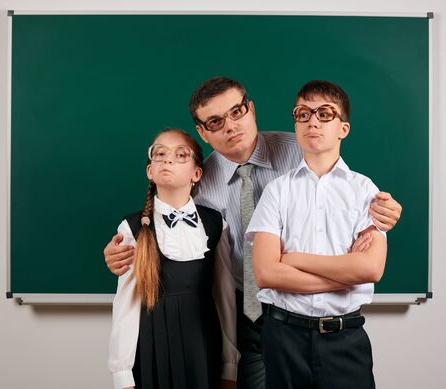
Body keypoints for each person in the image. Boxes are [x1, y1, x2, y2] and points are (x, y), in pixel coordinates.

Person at [104, 77, 402, 389]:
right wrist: (124, 250)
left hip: (299, 309)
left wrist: (386, 212)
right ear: (203, 133)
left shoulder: (302, 147)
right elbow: (164, 224)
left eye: (237, 112)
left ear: (252, 110)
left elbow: (340, 203)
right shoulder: (198, 182)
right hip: (239, 311)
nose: (231, 126)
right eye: (216, 122)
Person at [247, 80, 387, 388]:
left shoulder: (366, 191)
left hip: (345, 339)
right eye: (303, 114)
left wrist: (293, 258)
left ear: (343, 129)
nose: (313, 121)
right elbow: (267, 273)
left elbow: (370, 269)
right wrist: (344, 278)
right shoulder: (277, 191)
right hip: (283, 337)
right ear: (296, 126)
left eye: (325, 114)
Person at [108, 128, 239, 389]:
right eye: (160, 154)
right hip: (152, 344)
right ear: (150, 171)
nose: (168, 160)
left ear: (196, 173)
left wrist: (230, 365)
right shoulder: (132, 227)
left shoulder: (216, 224)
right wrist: (122, 374)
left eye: (180, 155)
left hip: (203, 343)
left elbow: (224, 297)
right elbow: (126, 305)